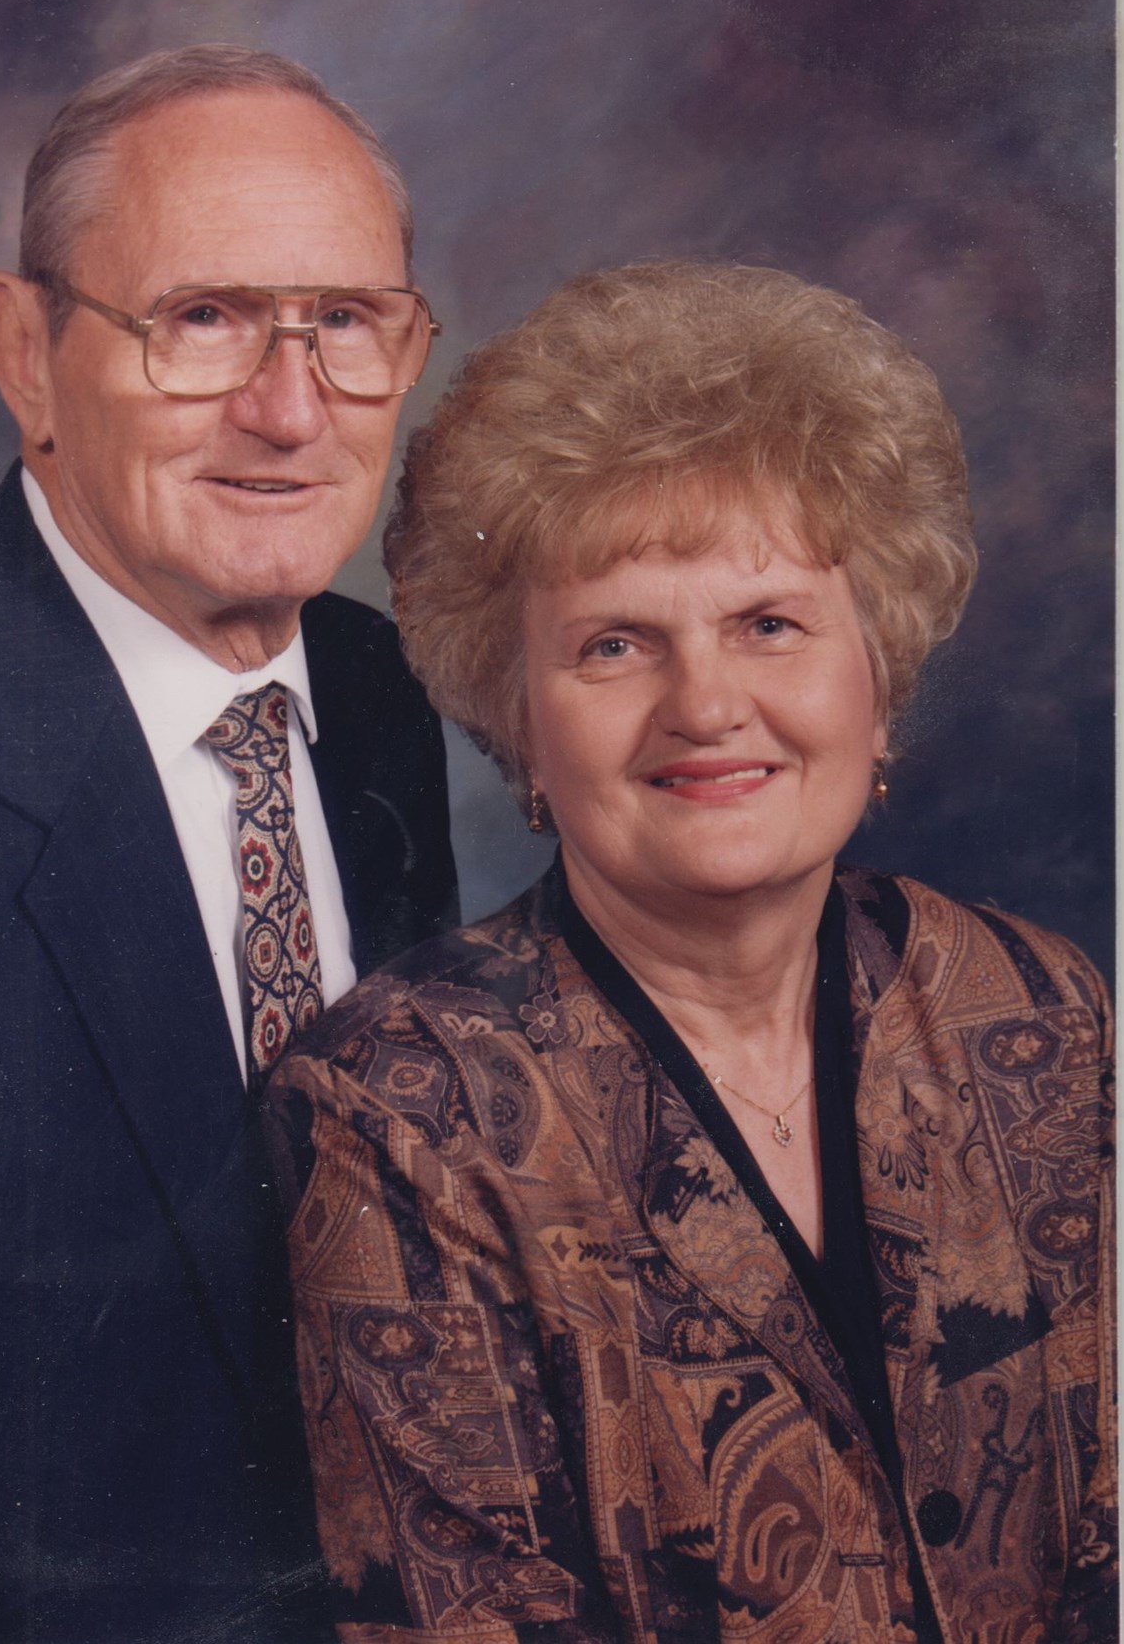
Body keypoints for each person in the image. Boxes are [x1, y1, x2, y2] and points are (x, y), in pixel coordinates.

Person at [266, 261, 1116, 1643]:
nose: (706, 704)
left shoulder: (1034, 1008)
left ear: (877, 680)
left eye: (769, 625)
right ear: (520, 721)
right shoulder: (404, 1109)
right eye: (615, 645)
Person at [0, 45, 458, 1644]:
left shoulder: (379, 695)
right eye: (203, 319)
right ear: (24, 354)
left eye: (345, 323)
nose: (287, 410)